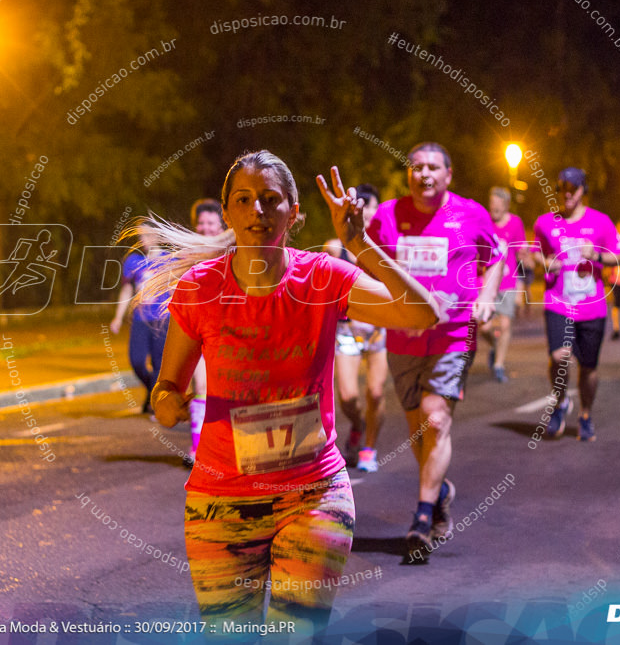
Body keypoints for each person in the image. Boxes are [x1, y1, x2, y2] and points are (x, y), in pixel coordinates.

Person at [144, 151, 439, 633]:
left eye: (270, 199)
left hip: (312, 496)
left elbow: (421, 314)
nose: (257, 210)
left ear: (294, 212)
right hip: (221, 503)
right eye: (244, 199)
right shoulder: (199, 288)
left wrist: (360, 243)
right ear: (229, 212)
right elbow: (166, 390)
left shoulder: (323, 277)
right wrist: (168, 403)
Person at [366, 142, 503, 560]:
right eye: (416, 167)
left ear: (448, 174)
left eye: (432, 168)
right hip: (403, 335)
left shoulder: (470, 214)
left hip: (453, 334)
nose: (424, 174)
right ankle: (440, 490)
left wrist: (487, 296)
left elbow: (495, 256)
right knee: (418, 428)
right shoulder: (388, 216)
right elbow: (366, 261)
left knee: (435, 417)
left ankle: (422, 519)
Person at [534, 168, 620, 442]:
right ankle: (560, 402)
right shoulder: (545, 223)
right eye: (562, 187)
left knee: (588, 368)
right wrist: (545, 262)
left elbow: (618, 257)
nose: (567, 192)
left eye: (573, 187)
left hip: (591, 306)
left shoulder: (601, 222)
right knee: (559, 357)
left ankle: (585, 414)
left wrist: (595, 254)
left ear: (583, 189)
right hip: (558, 302)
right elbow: (535, 252)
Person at [323, 184, 388, 471]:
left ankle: (369, 448)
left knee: (375, 392)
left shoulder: (387, 246)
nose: (365, 211)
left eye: (370, 205)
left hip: (378, 328)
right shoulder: (335, 248)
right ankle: (359, 425)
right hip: (347, 331)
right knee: (348, 396)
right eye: (359, 205)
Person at [184, 198, 226, 466]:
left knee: (224, 392)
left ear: (221, 225)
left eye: (210, 222)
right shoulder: (187, 252)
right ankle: (197, 448)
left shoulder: (233, 251)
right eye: (201, 222)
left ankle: (224, 444)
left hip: (228, 332)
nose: (205, 227)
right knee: (200, 386)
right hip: (196, 329)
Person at [109, 231, 169, 414]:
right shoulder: (133, 261)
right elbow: (127, 290)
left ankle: (154, 403)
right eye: (141, 236)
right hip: (140, 319)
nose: (144, 240)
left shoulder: (169, 259)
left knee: (160, 363)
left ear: (157, 236)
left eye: (148, 235)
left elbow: (177, 288)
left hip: (163, 319)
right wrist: (118, 317)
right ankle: (152, 392)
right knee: (136, 360)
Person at [479, 186, 526, 383]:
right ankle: (494, 346)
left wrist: (521, 287)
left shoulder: (515, 223)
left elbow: (522, 255)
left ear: (506, 205)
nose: (493, 210)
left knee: (505, 324)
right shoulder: (484, 222)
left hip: (508, 282)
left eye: (497, 207)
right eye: (491, 206)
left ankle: (499, 365)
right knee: (484, 327)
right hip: (486, 283)